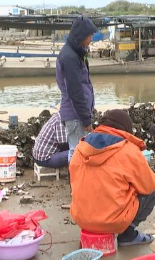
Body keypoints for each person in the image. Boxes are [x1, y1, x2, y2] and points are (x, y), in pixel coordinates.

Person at [69, 109, 155, 246]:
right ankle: (127, 234)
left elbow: (74, 183)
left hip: (82, 219)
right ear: (126, 128)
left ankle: (92, 226)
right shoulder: (128, 150)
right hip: (114, 222)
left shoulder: (80, 148)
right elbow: (150, 186)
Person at [56, 16, 98, 162]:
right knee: (76, 153)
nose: (92, 39)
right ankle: (76, 183)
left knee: (80, 152)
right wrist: (86, 119)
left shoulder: (76, 53)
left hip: (77, 114)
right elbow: (75, 92)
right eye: (90, 35)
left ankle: (80, 183)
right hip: (75, 116)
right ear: (82, 36)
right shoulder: (69, 57)